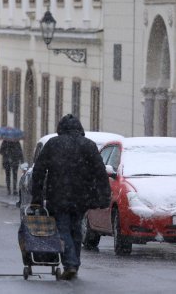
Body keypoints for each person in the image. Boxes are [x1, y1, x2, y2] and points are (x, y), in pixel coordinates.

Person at [31, 114, 111, 280]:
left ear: (60, 128)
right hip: (82, 197)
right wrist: (104, 196)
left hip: (58, 195)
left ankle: (70, 263)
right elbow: (100, 172)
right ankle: (74, 263)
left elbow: (38, 171)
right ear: (79, 128)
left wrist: (37, 197)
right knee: (76, 229)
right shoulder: (88, 145)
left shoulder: (53, 144)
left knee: (62, 229)